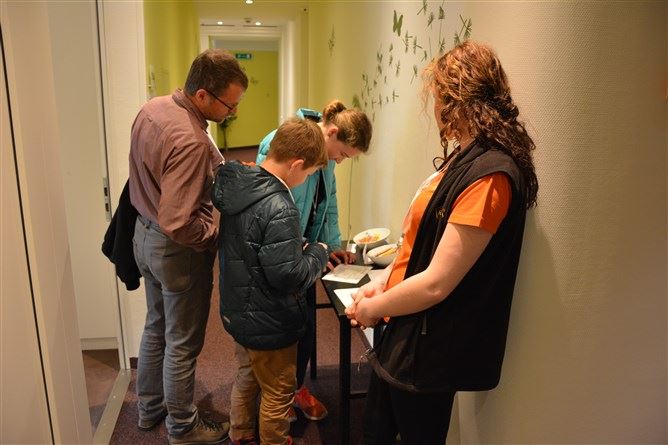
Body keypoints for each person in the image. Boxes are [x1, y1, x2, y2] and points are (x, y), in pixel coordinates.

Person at [345, 40, 539, 444]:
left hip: (427, 351)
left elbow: (437, 282)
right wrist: (382, 284)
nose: (434, 109)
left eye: (437, 98)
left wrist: (373, 308)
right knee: (375, 430)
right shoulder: (464, 158)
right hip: (403, 331)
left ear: (456, 100)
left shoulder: (491, 175)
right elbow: (419, 244)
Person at [129, 49, 248, 445]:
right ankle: (182, 427)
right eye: (229, 104)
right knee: (183, 342)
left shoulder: (153, 109)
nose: (233, 112)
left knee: (156, 326)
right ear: (202, 95)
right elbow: (179, 222)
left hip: (142, 237)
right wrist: (215, 237)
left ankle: (150, 409)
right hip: (175, 251)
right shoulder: (191, 141)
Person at [212, 118, 330, 445]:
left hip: (238, 308)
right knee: (278, 392)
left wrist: (292, 247)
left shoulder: (240, 185)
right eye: (309, 173)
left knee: (247, 376)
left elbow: (254, 246)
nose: (306, 180)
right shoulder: (280, 205)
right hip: (269, 319)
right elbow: (288, 277)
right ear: (296, 164)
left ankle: (241, 433)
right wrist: (318, 252)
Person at [255, 101, 372, 421]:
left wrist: (331, 245)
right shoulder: (279, 143)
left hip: (305, 254)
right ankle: (273, 400)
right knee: (279, 334)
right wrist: (301, 246)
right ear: (331, 132)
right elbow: (264, 205)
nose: (340, 160)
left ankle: (293, 390)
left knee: (305, 326)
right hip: (281, 255)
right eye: (343, 153)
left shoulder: (327, 159)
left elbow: (329, 201)